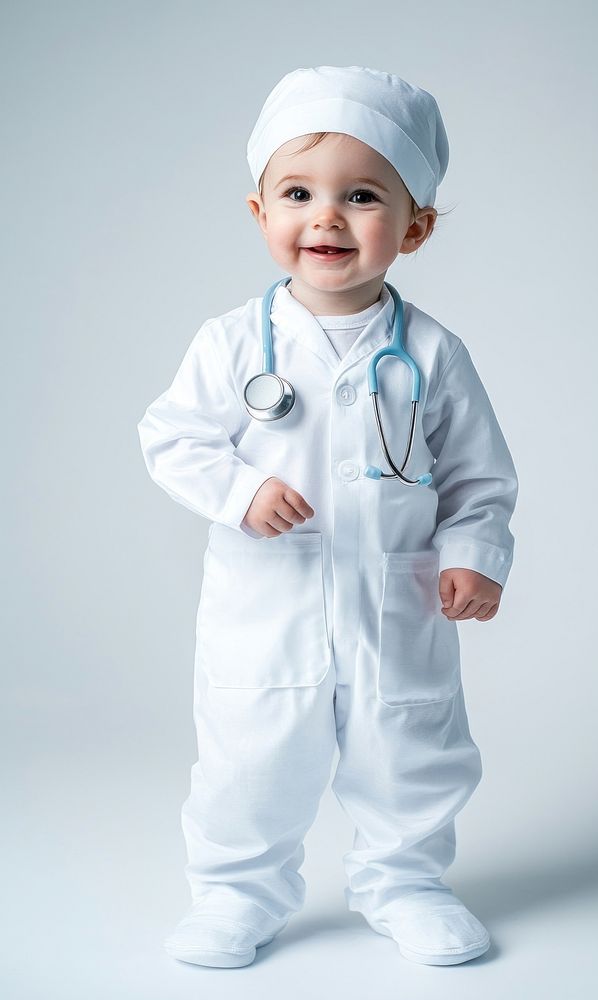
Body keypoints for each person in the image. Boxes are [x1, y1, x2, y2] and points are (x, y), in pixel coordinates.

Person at [137, 65, 518, 969]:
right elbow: (171, 438)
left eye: (361, 196)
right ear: (259, 212)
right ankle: (235, 895)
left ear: (414, 227)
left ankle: (408, 883)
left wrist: (475, 554)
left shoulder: (432, 352)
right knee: (249, 763)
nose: (326, 218)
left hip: (395, 606)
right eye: (298, 193)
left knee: (410, 756)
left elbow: (478, 475)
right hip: (265, 608)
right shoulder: (231, 343)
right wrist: (240, 494)